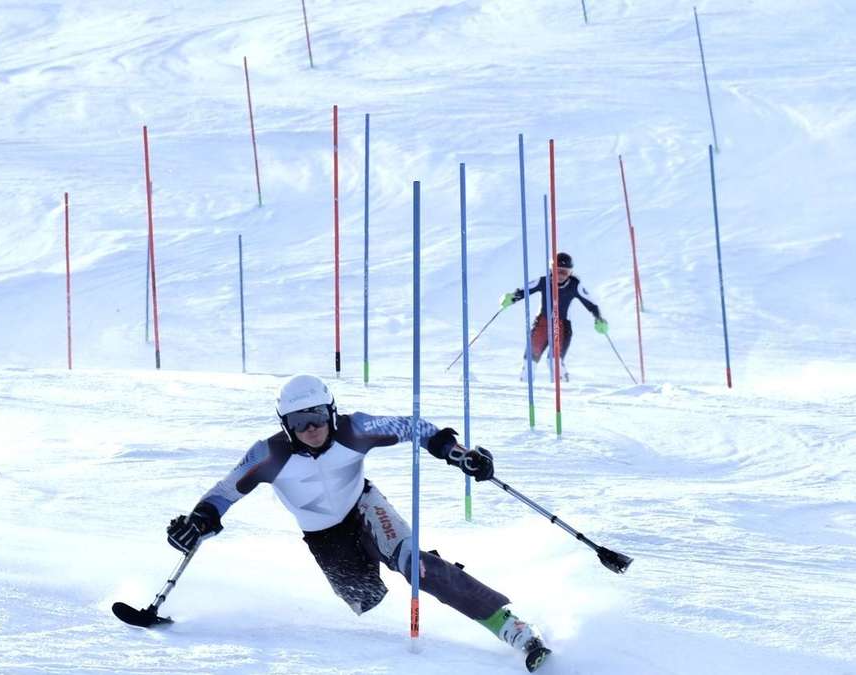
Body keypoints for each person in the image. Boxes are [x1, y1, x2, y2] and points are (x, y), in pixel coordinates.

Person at [165, 374, 552, 672]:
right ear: (285, 424)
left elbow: (416, 428)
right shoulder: (269, 455)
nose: (311, 428)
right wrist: (198, 523)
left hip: (365, 507)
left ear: (331, 412)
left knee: (415, 566)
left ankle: (511, 628)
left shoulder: (355, 430)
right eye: (299, 421)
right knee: (365, 598)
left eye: (317, 416)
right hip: (324, 539)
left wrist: (458, 453)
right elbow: (223, 493)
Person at [501, 251, 607, 382]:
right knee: (530, 360)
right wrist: (512, 298)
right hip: (542, 323)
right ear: (552, 270)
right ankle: (525, 388)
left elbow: (591, 304)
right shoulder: (543, 281)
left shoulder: (575, 285)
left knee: (553, 361)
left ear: (570, 272)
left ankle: (563, 386)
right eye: (558, 271)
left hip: (562, 325)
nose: (561, 276)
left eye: (565, 272)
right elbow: (524, 290)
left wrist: (599, 318)